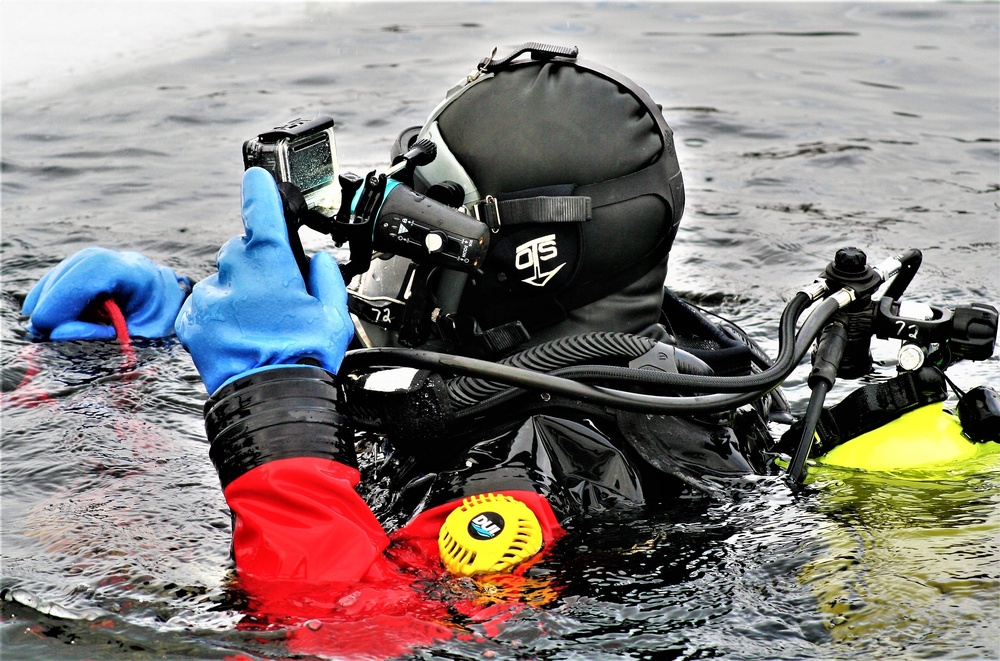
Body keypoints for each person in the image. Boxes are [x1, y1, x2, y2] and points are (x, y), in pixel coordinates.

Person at [18, 44, 995, 657]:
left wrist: (269, 401)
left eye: (433, 205)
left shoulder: (560, 461)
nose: (399, 234)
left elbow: (349, 635)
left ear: (528, 255)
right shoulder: (658, 340)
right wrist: (178, 322)